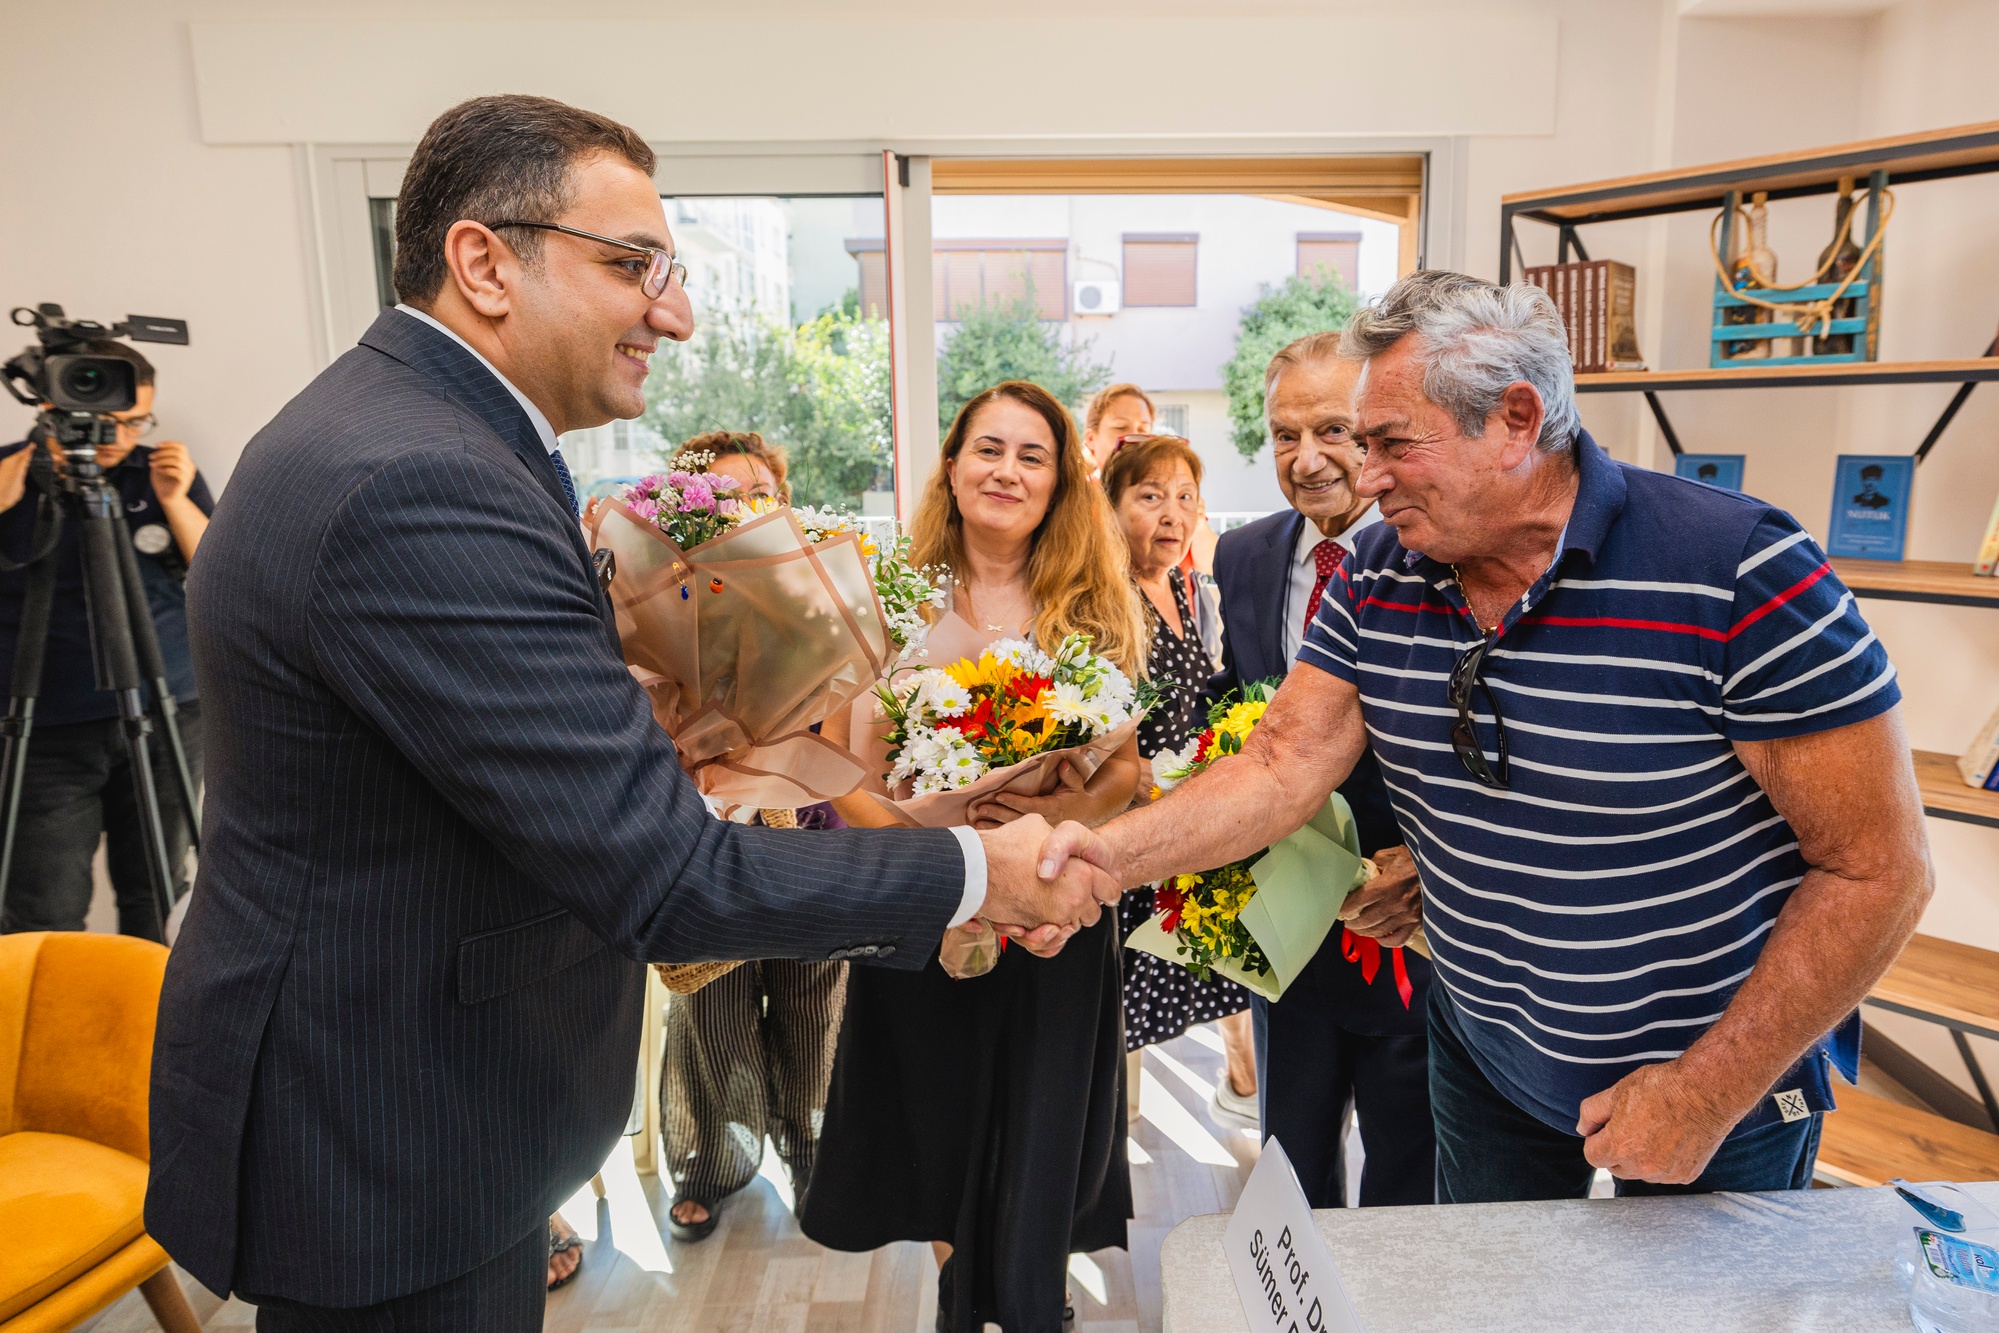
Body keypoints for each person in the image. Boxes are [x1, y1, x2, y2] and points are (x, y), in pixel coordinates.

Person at [146, 96, 1112, 1332]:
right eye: (632, 266)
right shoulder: (423, 479)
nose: (675, 310)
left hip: (407, 1097)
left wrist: (837, 795)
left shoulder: (416, 430)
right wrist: (977, 869)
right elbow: (663, 880)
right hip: (392, 1127)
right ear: (485, 261)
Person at [1039, 270, 1933, 1205]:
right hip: (1484, 1053)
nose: (1365, 473)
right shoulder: (1380, 570)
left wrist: (1710, 1088)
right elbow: (1275, 766)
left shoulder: (1741, 569)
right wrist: (1094, 856)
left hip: (1715, 1077)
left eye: (1391, 443)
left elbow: (1879, 869)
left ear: (1514, 420)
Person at [801, 381, 1146, 1333]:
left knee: (1042, 1122)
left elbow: (1124, 770)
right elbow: (833, 770)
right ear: (950, 465)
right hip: (923, 904)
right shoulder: (885, 597)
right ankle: (963, 1298)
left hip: (1057, 915)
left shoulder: (1096, 603)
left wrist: (1055, 835)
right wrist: (942, 866)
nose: (1006, 470)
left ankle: (1035, 1300)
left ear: (1059, 481)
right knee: (939, 1122)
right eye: (987, 449)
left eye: (1032, 455)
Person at [1209, 332, 1434, 1207]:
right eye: (1282, 435)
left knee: (1408, 1164)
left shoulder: (1440, 552)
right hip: (1287, 928)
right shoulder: (1243, 556)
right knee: (1288, 1158)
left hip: (1410, 924)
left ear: (1379, 433)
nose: (1305, 461)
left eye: (1333, 430)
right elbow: (1232, 709)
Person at [649, 430, 851, 1245]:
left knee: (812, 1014)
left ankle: (814, 1152)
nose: (752, 508)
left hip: (807, 833)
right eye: (729, 495)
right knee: (715, 1020)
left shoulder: (822, 597)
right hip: (705, 845)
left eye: (766, 492)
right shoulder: (655, 606)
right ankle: (711, 1164)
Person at [0, 350, 210, 939]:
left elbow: (223, 578)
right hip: (44, 725)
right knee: (43, 905)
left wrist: (175, 499)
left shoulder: (159, 472)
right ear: (48, 403)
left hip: (168, 709)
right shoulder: (10, 475)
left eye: (133, 419)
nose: (115, 433)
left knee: (160, 888)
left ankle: (152, 1024)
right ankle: (52, 1030)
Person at [1099, 433, 1259, 1125]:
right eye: (1149, 496)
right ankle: (1110, 1160)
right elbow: (1100, 730)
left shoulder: (1187, 586)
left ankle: (1241, 1087)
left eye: (1185, 497)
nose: (1172, 513)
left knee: (1215, 978)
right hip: (1136, 826)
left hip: (1190, 821)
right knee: (1119, 1015)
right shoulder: (1105, 596)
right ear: (1110, 506)